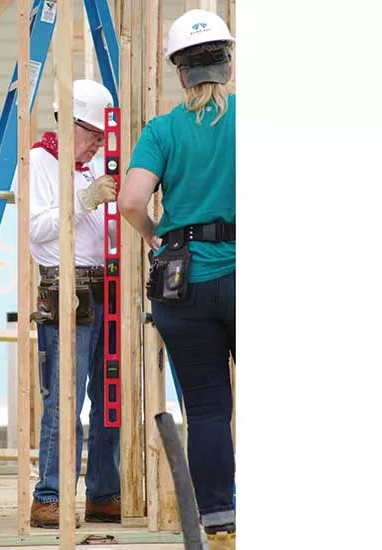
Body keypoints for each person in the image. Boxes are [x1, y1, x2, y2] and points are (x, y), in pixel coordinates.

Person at [117, 10, 236, 550]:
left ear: (180, 73)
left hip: (183, 284)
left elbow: (132, 201)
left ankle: (220, 525)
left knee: (208, 409)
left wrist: (155, 237)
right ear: (227, 65)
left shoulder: (162, 130)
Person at [27, 79, 122, 528]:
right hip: (67, 290)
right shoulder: (41, 160)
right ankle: (49, 495)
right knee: (64, 400)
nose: (96, 145)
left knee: (109, 401)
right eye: (91, 135)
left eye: (102, 137)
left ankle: (103, 494)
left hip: (106, 288)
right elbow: (37, 230)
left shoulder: (97, 163)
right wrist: (84, 200)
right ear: (68, 124)